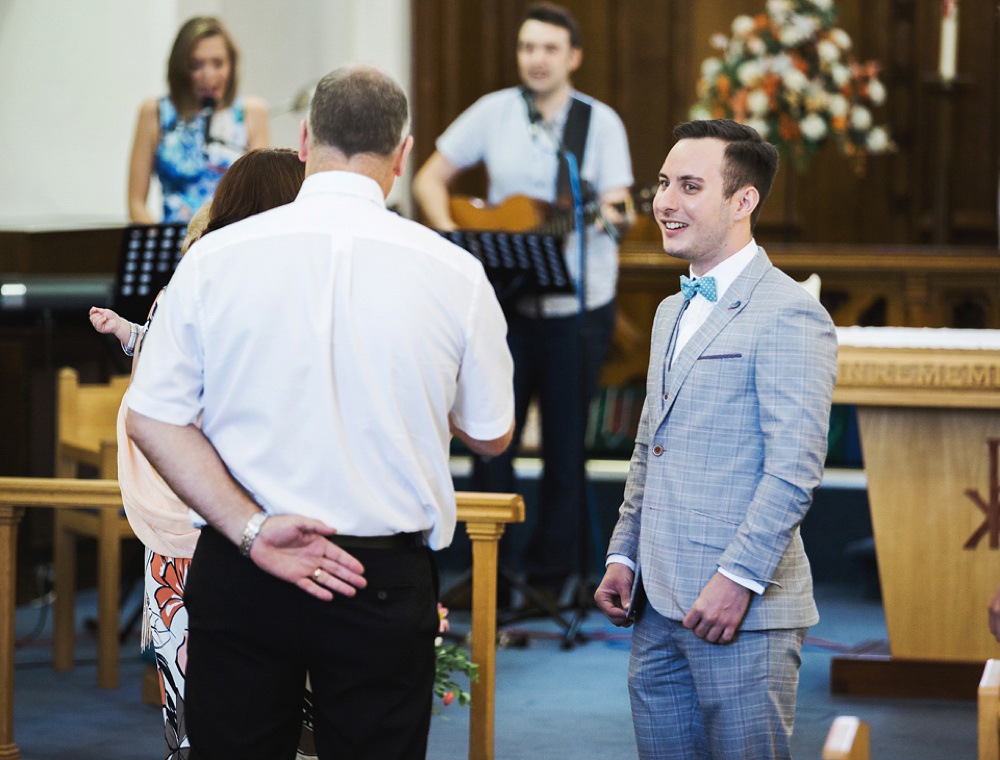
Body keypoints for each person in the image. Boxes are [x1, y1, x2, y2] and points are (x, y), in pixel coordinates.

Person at [125, 65, 515, 759]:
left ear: (304, 139)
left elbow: (152, 416)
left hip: (245, 565)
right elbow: (490, 436)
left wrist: (249, 529)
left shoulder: (216, 258)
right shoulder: (453, 271)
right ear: (403, 153)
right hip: (380, 578)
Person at [594, 119, 838, 759]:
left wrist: (738, 579)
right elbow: (651, 445)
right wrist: (625, 554)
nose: (664, 201)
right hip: (655, 604)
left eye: (689, 186)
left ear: (742, 201)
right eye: (663, 183)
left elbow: (795, 468)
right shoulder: (669, 311)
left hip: (743, 611)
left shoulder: (788, 311)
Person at [412, 1, 633, 605]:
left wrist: (610, 217)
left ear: (573, 57)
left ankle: (551, 577)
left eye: (549, 49)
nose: (536, 59)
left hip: (576, 313)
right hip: (504, 310)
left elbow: (618, 204)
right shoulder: (493, 111)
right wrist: (456, 240)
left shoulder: (598, 124)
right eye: (528, 47)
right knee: (490, 441)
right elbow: (429, 177)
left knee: (566, 449)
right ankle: (492, 576)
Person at [91, 148, 309, 760]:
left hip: (208, 519)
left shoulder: (208, 282)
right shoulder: (210, 288)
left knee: (209, 709)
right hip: (208, 515)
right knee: (218, 708)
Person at [127, 16, 269, 224]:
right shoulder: (154, 112)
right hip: (174, 247)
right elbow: (136, 204)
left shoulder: (253, 112)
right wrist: (159, 241)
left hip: (231, 241)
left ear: (231, 65)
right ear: (180, 68)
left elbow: (261, 198)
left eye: (218, 63)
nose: (208, 75)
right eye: (196, 65)